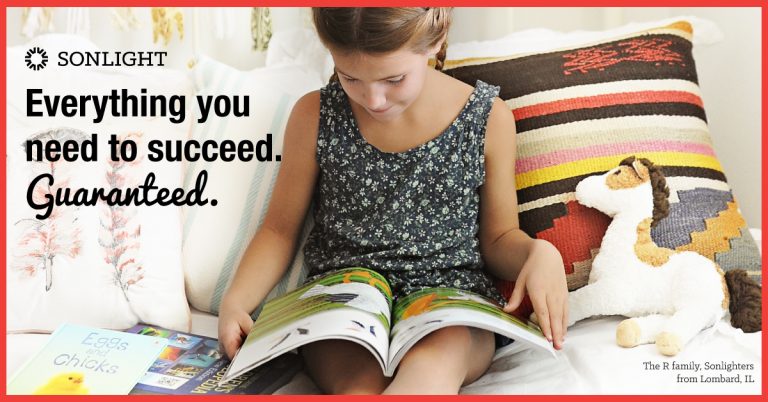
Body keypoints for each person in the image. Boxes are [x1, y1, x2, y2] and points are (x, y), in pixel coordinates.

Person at [218, 7, 567, 394]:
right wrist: (236, 302)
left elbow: (499, 240)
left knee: (439, 356)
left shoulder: (488, 119)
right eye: (349, 77)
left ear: (435, 41)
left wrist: (539, 254)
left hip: (449, 308)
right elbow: (279, 231)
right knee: (359, 381)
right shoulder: (314, 115)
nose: (374, 99)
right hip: (345, 305)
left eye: (394, 79)